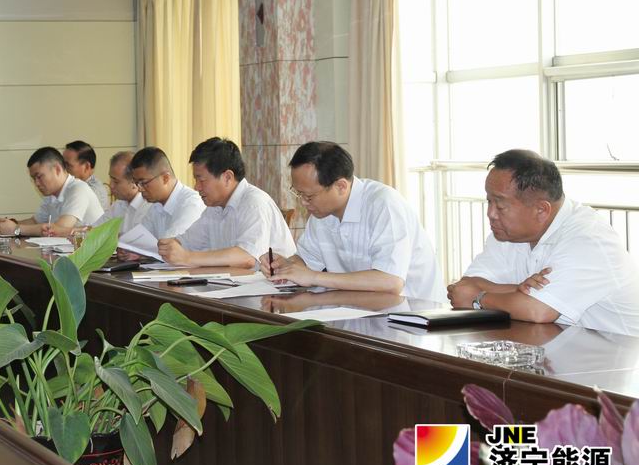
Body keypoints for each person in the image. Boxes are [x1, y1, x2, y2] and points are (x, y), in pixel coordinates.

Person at [447, 149, 639, 336]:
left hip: (618, 353)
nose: (491, 214)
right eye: (489, 201)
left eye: (500, 205)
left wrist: (479, 298)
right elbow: (464, 286)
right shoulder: (506, 234)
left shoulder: (588, 239)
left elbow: (538, 311)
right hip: (557, 346)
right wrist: (518, 289)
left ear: (541, 210)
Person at [260, 141, 444, 300]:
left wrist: (314, 277)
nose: (303, 202)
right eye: (298, 194)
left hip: (414, 315)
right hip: (360, 309)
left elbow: (390, 281)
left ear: (341, 186)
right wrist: (286, 266)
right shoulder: (320, 213)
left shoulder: (384, 205)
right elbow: (307, 261)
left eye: (308, 196)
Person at [158, 137, 296, 268]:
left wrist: (188, 258)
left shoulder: (254, 203)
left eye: (202, 180)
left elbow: (247, 257)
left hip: (273, 283)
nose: (196, 187)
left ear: (227, 177)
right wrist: (169, 247)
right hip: (232, 282)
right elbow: (186, 243)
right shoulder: (214, 208)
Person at [0, 147, 103, 237]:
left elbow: (58, 230)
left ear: (57, 169)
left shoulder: (78, 189)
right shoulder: (51, 194)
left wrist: (16, 229)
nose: (37, 183)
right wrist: (7, 224)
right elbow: (35, 221)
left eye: (39, 177)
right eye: (33, 179)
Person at [117, 147, 204, 260]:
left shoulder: (191, 203)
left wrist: (142, 253)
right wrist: (129, 249)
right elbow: (140, 239)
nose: (140, 189)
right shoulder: (155, 205)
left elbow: (171, 247)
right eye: (137, 183)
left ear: (165, 178)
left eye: (144, 183)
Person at [42, 151, 151, 237]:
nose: (111, 185)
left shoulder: (148, 206)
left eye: (116, 181)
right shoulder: (119, 205)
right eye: (111, 179)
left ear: (134, 182)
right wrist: (63, 232)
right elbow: (95, 230)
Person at [63, 140, 110, 212]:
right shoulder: (71, 184)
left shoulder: (93, 191)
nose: (62, 169)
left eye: (68, 165)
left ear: (86, 167)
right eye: (62, 164)